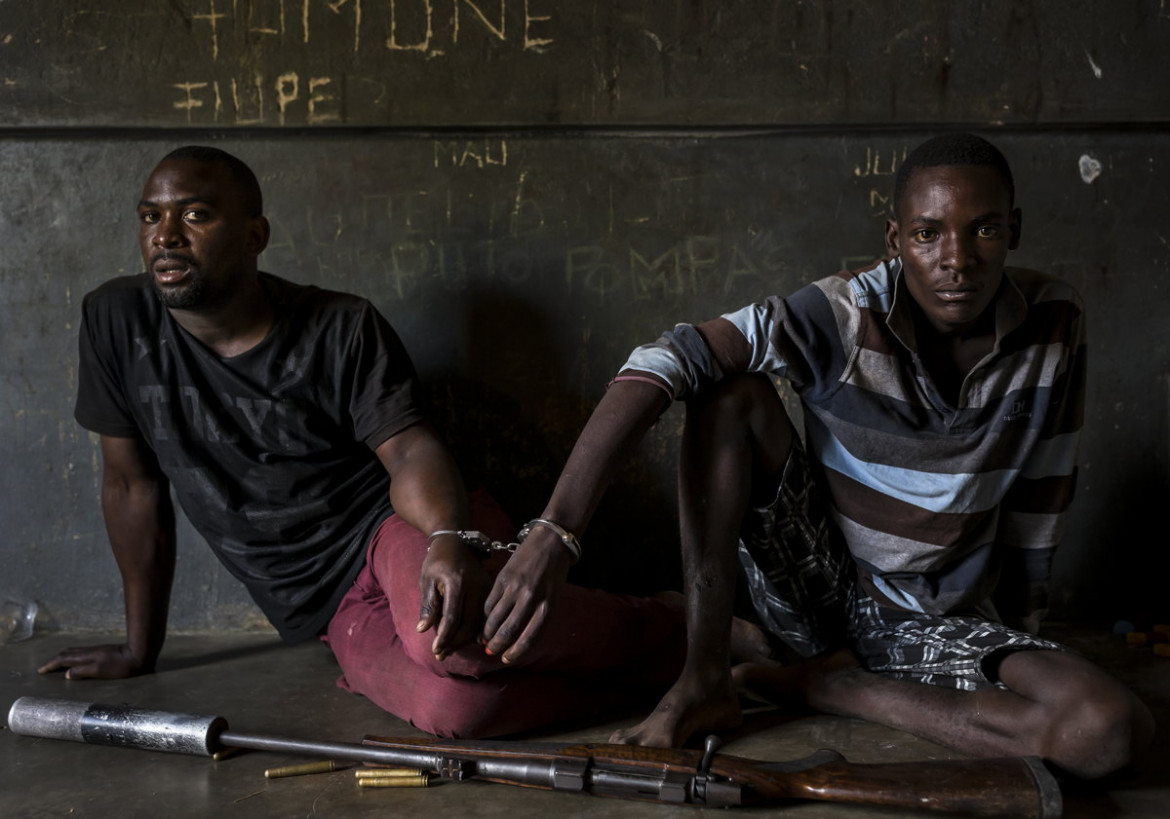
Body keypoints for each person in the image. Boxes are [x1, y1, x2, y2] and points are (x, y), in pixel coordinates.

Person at [478, 133, 1155, 778]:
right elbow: (663, 359)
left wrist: (1015, 644)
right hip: (821, 592)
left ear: (1014, 229)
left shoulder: (1054, 320)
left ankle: (832, 687)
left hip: (942, 618)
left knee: (1107, 730)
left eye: (983, 229)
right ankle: (706, 672)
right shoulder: (841, 312)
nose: (957, 259)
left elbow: (1043, 487)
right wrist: (555, 532)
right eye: (927, 233)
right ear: (895, 240)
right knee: (728, 391)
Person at [37, 145, 706, 739]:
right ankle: (685, 677)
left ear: (254, 234)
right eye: (150, 217)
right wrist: (138, 647)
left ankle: (693, 630)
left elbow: (410, 450)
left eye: (195, 215)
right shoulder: (114, 321)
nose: (165, 236)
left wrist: (449, 536)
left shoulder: (338, 325)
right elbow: (131, 485)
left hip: (397, 526)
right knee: (457, 712)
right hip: (327, 604)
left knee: (461, 645)